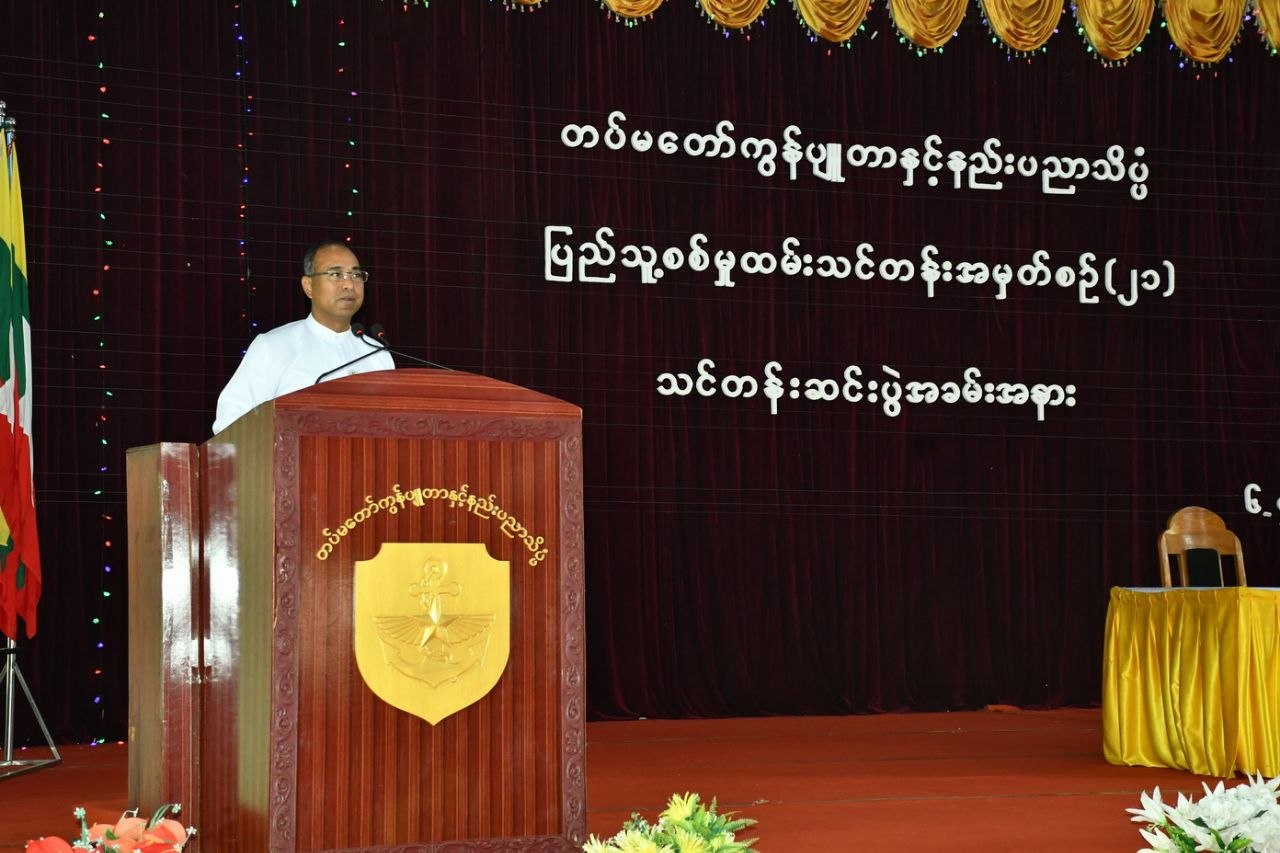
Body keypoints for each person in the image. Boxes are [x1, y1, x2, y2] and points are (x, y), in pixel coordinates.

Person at [212, 240, 395, 434]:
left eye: (356, 275)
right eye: (335, 274)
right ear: (308, 286)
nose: (349, 284)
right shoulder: (274, 346)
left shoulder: (377, 354)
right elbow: (230, 422)